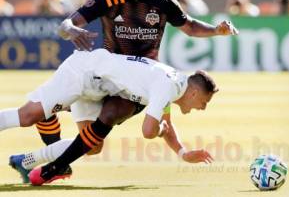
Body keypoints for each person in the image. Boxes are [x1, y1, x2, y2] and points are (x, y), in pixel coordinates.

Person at [10, 0, 238, 183]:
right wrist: (70, 30)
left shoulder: (162, 3)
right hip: (106, 74)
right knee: (84, 134)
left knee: (98, 135)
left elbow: (189, 26)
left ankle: (38, 158)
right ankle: (43, 149)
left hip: (137, 83)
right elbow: (67, 23)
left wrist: (215, 31)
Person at [2, 48, 217, 185]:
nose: (202, 108)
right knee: (27, 116)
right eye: (204, 103)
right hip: (82, 73)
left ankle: (25, 161)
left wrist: (182, 153)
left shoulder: (173, 83)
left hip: (95, 89)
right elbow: (150, 130)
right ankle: (47, 118)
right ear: (195, 92)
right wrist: (160, 130)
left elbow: (166, 122)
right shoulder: (169, 86)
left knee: (93, 146)